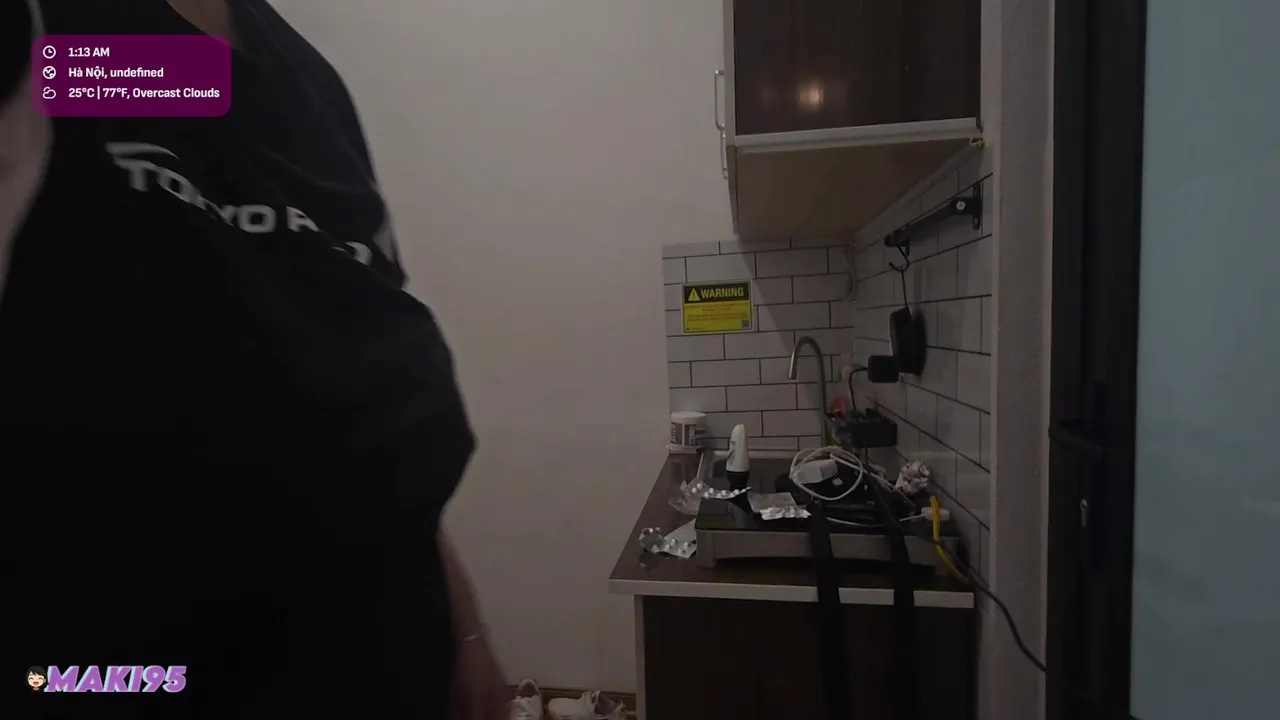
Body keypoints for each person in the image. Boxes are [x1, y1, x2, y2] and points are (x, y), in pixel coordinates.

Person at [1, 1, 507, 717]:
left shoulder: (301, 80)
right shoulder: (51, 39)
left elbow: (348, 393)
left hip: (385, 652)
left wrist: (465, 630)